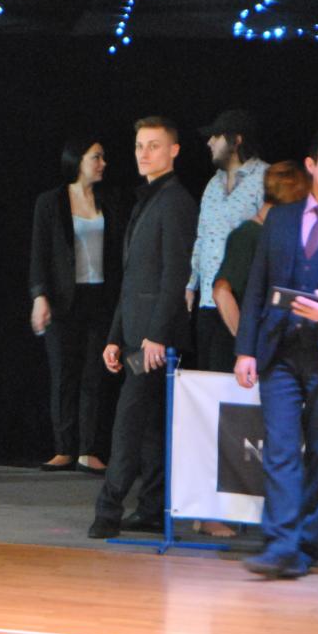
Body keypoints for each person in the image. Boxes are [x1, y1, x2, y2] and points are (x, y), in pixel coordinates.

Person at [234, 127, 318, 579]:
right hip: (280, 351)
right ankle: (282, 544)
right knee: (282, 449)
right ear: (311, 166)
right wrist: (245, 350)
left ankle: (305, 545)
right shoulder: (282, 220)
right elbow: (256, 287)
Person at [88, 117, 197, 539]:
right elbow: (133, 279)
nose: (143, 153)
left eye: (153, 145)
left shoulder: (176, 202)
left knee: (129, 423)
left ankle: (108, 508)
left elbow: (176, 275)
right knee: (149, 427)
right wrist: (115, 337)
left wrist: (158, 336)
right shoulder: (146, 200)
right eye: (139, 145)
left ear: (174, 151)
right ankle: (151, 507)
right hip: (136, 334)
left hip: (155, 339)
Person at [29, 136, 123, 475]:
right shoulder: (50, 202)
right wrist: (39, 296)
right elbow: (39, 252)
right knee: (63, 374)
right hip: (63, 299)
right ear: (78, 159)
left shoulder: (109, 201)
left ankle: (88, 449)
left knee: (94, 374)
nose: (102, 163)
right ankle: (64, 447)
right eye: (96, 157)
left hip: (100, 297)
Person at [186, 110, 268, 371]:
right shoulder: (213, 184)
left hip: (241, 300)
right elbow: (201, 237)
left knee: (236, 382)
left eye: (216, 136)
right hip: (208, 301)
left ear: (236, 140)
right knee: (206, 378)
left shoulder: (265, 179)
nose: (209, 142)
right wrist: (191, 284)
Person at [212, 161, 310, 339]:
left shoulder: (274, 235)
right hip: (241, 350)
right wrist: (246, 343)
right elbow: (222, 292)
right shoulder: (247, 235)